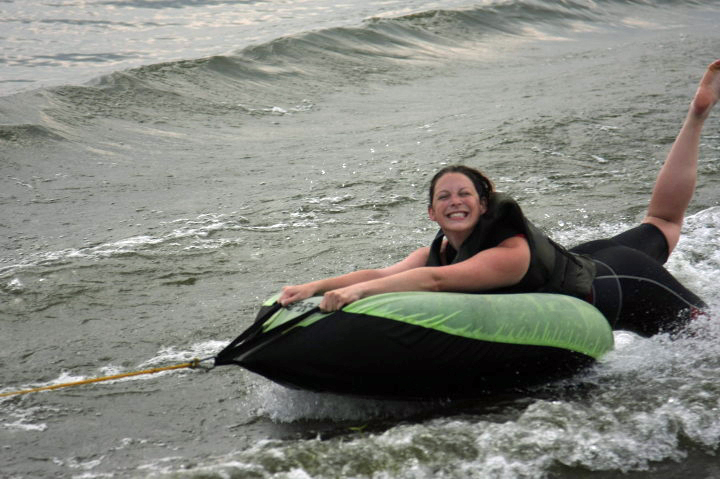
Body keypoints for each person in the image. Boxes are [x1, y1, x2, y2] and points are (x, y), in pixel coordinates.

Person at [279, 59, 720, 336]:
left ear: (483, 204)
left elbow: (435, 283)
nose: (455, 201)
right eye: (444, 197)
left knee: (707, 339)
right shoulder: (438, 250)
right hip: (590, 258)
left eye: (464, 194)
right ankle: (698, 114)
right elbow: (382, 271)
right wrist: (314, 287)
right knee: (662, 221)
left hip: (628, 284)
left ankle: (697, 113)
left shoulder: (509, 253)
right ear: (431, 212)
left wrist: (359, 294)